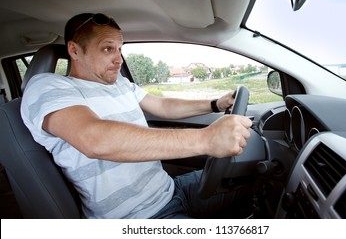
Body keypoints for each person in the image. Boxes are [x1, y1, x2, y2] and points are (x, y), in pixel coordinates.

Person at [21, 13, 252, 219]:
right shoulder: (48, 87)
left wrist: (216, 104)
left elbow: (163, 106)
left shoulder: (120, 84)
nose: (119, 59)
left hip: (171, 189)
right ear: (74, 50)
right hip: (138, 217)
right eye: (107, 48)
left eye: (120, 49)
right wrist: (206, 139)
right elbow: (94, 138)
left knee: (259, 178)